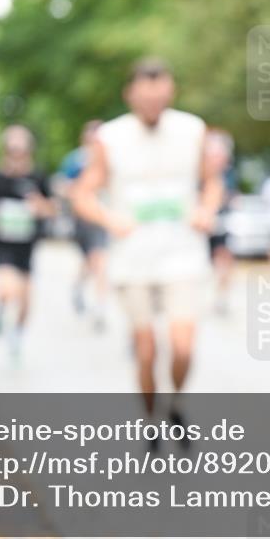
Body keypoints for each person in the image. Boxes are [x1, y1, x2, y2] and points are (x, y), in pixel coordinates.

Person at [72, 58, 224, 433]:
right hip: (133, 258)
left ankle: (176, 403)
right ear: (130, 95)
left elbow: (212, 182)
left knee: (183, 345)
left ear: (170, 92)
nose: (154, 105)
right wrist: (110, 219)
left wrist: (206, 210)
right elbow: (83, 194)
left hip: (182, 253)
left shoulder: (192, 129)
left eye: (160, 97)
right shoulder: (110, 137)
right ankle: (151, 419)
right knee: (146, 350)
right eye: (146, 98)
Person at [0, 125, 54, 358]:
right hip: (3, 245)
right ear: (5, 151)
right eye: (12, 150)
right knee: (7, 288)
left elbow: (51, 209)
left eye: (21, 150)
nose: (17, 155)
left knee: (25, 301)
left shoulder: (38, 177)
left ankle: (17, 334)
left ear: (28, 151)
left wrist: (39, 205)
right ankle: (1, 308)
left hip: (27, 246)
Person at [60, 120, 109, 333]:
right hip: (82, 218)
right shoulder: (76, 159)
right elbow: (62, 185)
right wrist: (78, 192)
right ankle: (79, 288)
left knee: (99, 261)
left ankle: (100, 307)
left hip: (103, 217)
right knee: (90, 261)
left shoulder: (111, 158)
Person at [203, 127, 237, 315]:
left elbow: (232, 196)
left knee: (224, 258)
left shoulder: (228, 174)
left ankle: (221, 297)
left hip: (222, 222)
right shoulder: (200, 174)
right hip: (204, 224)